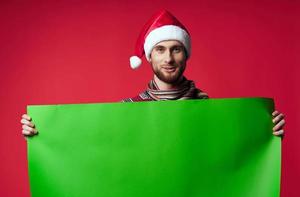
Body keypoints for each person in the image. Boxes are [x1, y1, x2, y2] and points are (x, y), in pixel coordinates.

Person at [21, 9, 285, 136]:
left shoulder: (209, 110)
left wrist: (264, 133)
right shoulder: (127, 111)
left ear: (186, 54)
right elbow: (92, 145)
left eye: (176, 49)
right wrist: (43, 132)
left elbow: (231, 157)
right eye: (160, 49)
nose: (169, 58)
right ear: (149, 56)